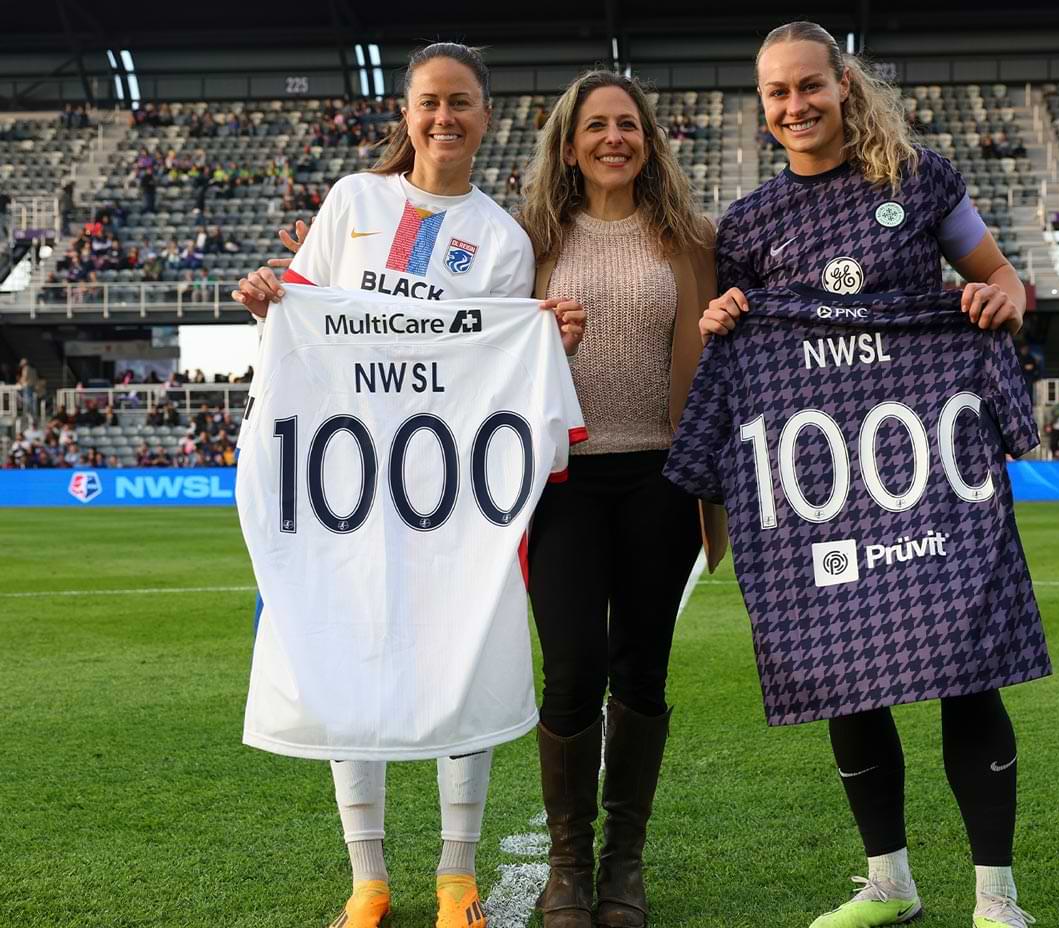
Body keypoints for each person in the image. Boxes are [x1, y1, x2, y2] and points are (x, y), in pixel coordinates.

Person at [233, 42, 585, 928]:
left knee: (455, 657)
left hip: (448, 490)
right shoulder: (353, 200)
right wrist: (270, 296)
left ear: (486, 117)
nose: (444, 118)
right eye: (430, 102)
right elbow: (308, 322)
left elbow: (490, 366)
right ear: (406, 112)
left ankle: (456, 876)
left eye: (461, 102)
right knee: (349, 661)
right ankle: (368, 879)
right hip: (347, 484)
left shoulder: (503, 241)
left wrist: (547, 340)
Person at [700, 22, 1035, 928]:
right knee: (847, 672)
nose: (796, 105)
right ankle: (890, 883)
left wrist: (1000, 297)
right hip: (826, 491)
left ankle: (997, 899)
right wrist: (724, 310)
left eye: (810, 85)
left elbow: (1003, 278)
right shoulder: (750, 224)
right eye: (778, 93)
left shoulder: (919, 181)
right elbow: (739, 339)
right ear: (763, 107)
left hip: (929, 473)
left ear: (844, 85)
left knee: (969, 668)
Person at [518, 70, 727, 928]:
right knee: (570, 668)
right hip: (560, 481)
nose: (614, 138)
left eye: (629, 126)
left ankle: (623, 867)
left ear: (649, 141)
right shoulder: (526, 239)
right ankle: (567, 867)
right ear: (569, 145)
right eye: (597, 126)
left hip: (663, 476)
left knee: (641, 668)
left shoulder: (690, 238)